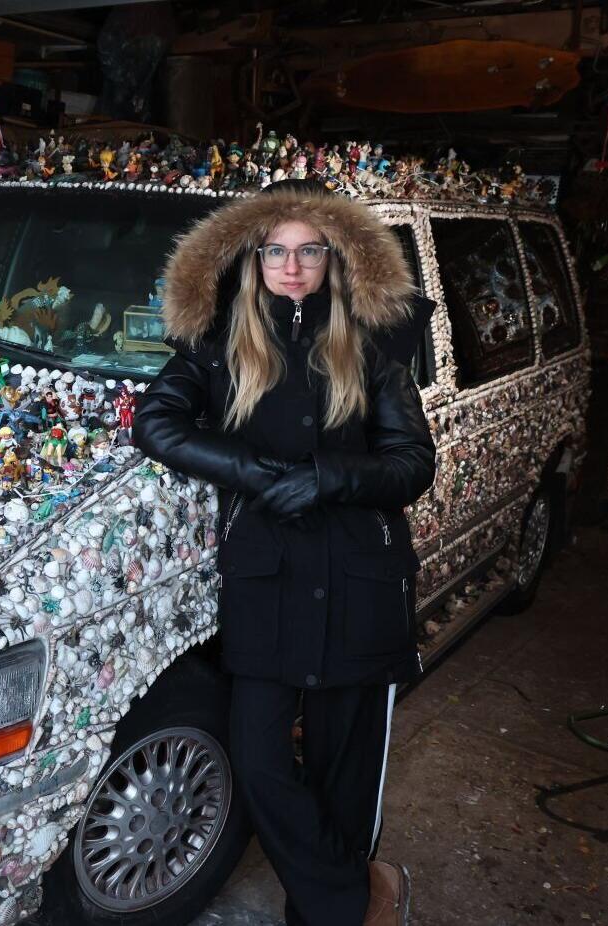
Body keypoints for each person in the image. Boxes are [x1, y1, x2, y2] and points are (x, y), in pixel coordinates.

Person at [133, 184, 434, 926]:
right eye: (275, 251)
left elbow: (411, 463)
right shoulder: (217, 341)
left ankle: (323, 915)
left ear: (335, 258)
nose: (291, 267)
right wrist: (254, 473)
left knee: (344, 778)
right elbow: (157, 424)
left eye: (308, 251)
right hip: (266, 577)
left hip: (359, 582)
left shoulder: (375, 338)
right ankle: (360, 899)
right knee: (260, 762)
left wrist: (329, 478)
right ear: (252, 258)